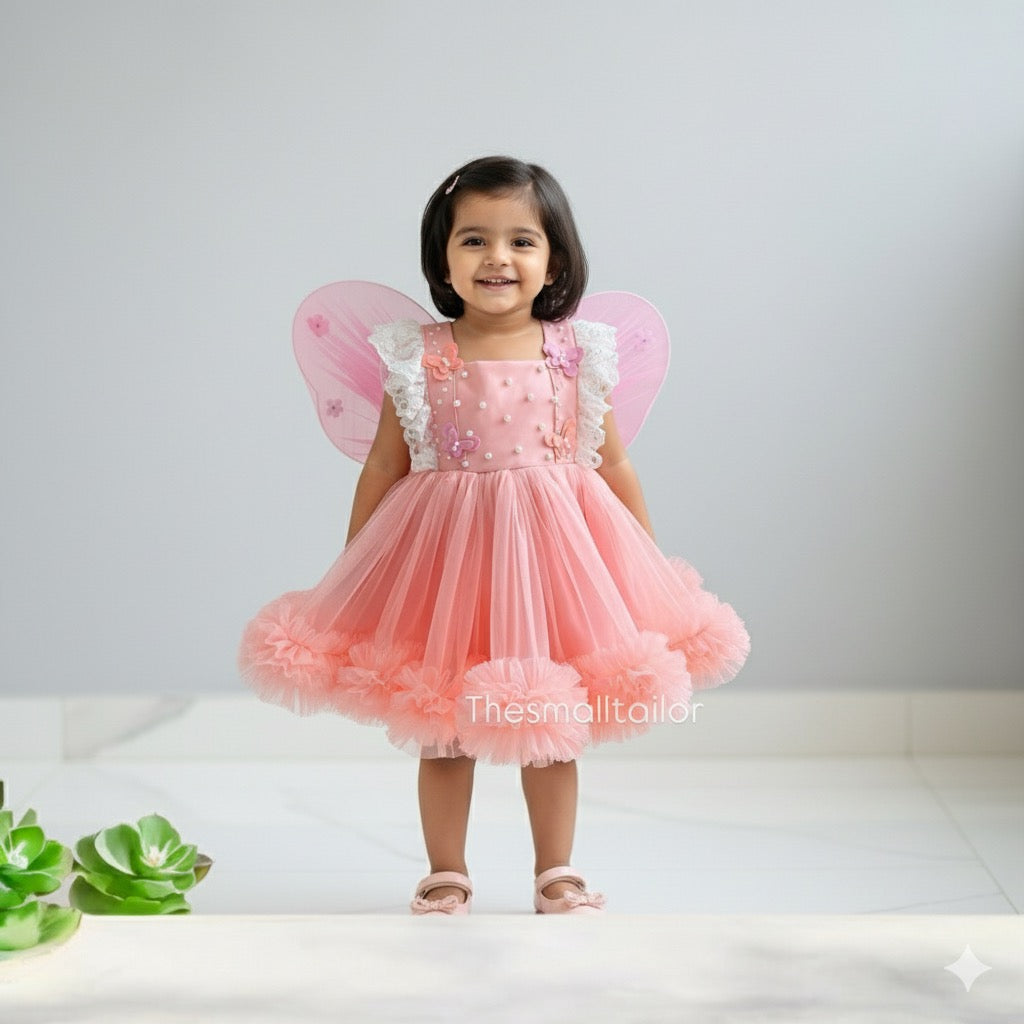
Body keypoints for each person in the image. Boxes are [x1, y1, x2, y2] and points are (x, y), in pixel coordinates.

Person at [238, 155, 749, 915]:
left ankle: (557, 871)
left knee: (549, 720)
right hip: (444, 563)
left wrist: (646, 567)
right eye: (473, 240)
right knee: (441, 720)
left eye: (521, 241)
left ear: (555, 260)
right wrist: (357, 565)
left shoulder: (577, 353)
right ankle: (446, 869)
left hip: (554, 564)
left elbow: (612, 464)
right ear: (442, 258)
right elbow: (384, 465)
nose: (498, 258)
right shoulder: (420, 355)